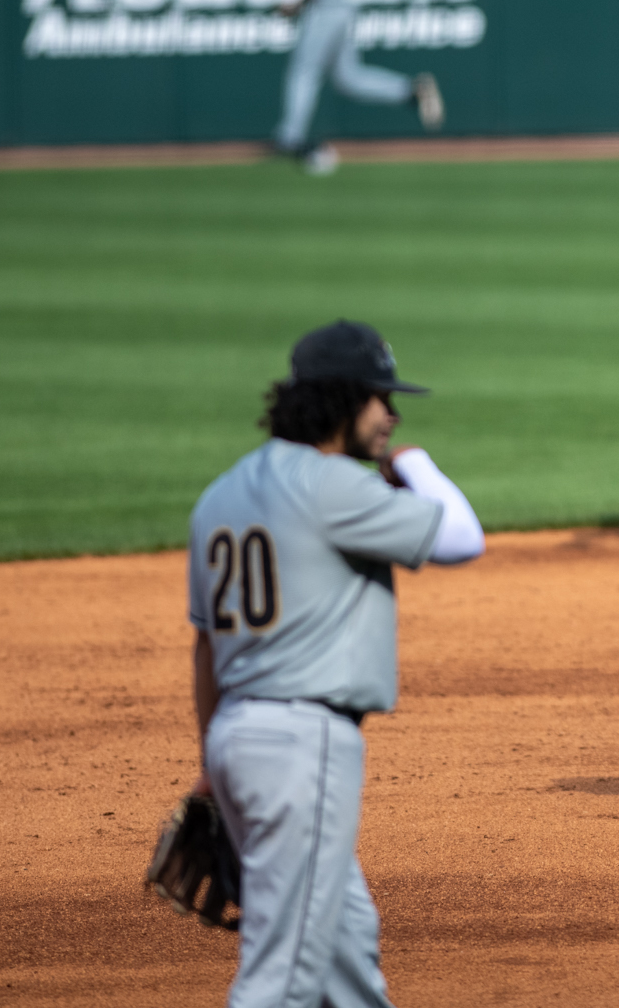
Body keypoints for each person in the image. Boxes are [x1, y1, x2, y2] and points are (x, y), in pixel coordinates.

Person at [185, 319, 484, 1007]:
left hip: (237, 740)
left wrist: (211, 762)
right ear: (346, 399)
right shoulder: (331, 487)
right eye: (383, 398)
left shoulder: (222, 494)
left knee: (347, 949)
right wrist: (413, 463)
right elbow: (463, 536)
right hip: (302, 744)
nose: (392, 414)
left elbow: (205, 647)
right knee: (279, 981)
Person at [273, 0, 445, 176]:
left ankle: (290, 137)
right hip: (343, 5)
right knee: (348, 76)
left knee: (304, 72)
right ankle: (410, 92)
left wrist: (297, 5)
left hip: (325, 6)